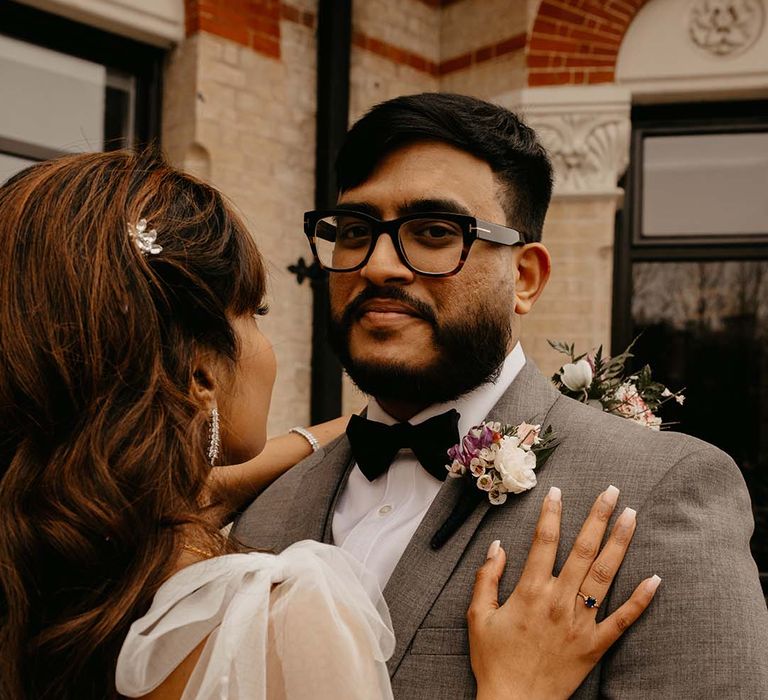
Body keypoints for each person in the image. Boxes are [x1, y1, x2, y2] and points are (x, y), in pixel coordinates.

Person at [0, 150, 657, 700]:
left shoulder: (40, 566)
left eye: (433, 231)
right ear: (199, 373)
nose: (378, 266)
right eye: (254, 313)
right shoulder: (287, 614)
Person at [234, 93, 768, 698]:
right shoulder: (265, 509)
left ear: (525, 277)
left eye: (435, 231)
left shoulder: (659, 494)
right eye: (356, 231)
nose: (379, 264)